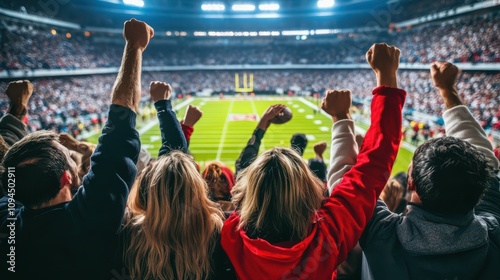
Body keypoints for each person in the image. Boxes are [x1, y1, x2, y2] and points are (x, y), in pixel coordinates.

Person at [222, 43, 406, 279]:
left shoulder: (230, 233)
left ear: (248, 192)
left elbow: (240, 177)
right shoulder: (328, 233)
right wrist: (386, 79)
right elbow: (374, 163)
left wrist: (261, 127)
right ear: (308, 187)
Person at [0, 18, 153, 279]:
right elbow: (117, 139)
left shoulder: (9, 227)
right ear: (66, 177)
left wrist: (16, 113)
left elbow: (9, 172)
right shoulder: (88, 220)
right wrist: (134, 47)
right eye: (66, 157)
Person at [357, 62, 500, 279]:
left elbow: (351, 190)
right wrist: (448, 91)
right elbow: (485, 161)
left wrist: (447, 89)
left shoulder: (382, 234)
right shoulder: (494, 232)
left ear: (411, 182)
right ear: (479, 186)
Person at [121, 81, 235, 280]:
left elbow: (170, 167)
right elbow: (173, 162)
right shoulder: (213, 226)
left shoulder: (131, 231)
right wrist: (164, 107)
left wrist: (165, 108)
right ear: (196, 187)